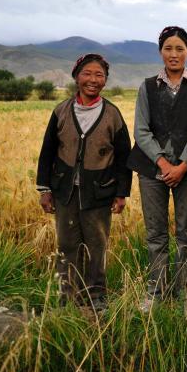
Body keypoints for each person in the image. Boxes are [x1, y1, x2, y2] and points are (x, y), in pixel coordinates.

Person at [36, 53, 131, 313]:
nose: (93, 79)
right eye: (87, 73)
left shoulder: (112, 114)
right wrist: (44, 188)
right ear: (76, 77)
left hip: (99, 191)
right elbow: (47, 151)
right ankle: (67, 296)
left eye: (99, 75)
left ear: (105, 80)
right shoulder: (61, 111)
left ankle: (96, 295)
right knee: (67, 244)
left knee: (96, 244)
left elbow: (124, 156)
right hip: (64, 190)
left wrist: (121, 193)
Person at [127, 26, 187, 311]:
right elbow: (141, 131)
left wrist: (183, 166)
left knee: (186, 233)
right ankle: (157, 292)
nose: (174, 54)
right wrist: (163, 163)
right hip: (152, 170)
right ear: (160, 52)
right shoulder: (147, 86)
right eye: (168, 48)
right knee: (155, 233)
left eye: (180, 49)